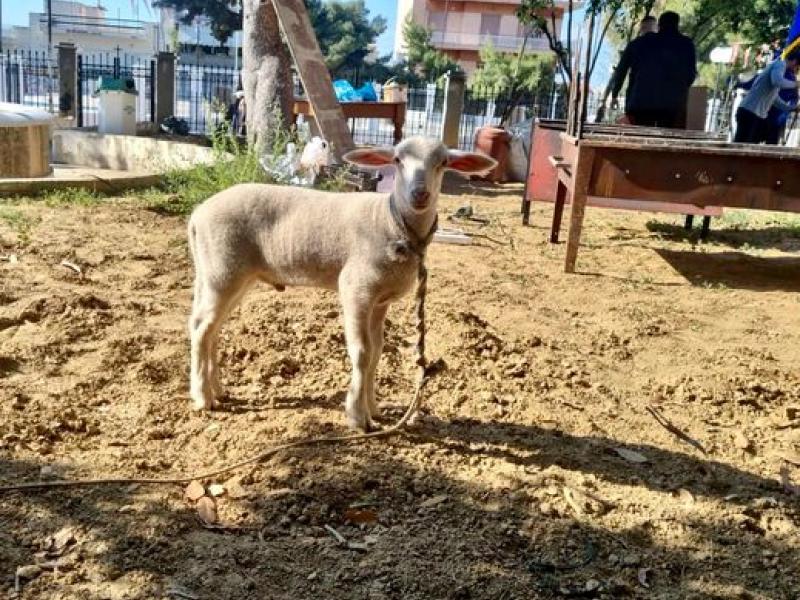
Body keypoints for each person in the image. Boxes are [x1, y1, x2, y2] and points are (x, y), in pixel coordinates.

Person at [611, 11, 697, 128]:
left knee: (640, 138)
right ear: (677, 25)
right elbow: (691, 75)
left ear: (659, 25)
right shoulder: (687, 44)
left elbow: (621, 70)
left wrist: (615, 94)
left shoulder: (639, 43)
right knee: (666, 139)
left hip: (640, 104)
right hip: (672, 105)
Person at [734, 50, 800, 144]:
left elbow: (774, 99)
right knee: (744, 148)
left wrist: (791, 108)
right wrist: (796, 84)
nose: (796, 70)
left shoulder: (776, 69)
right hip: (751, 112)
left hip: (753, 113)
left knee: (746, 146)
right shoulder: (780, 64)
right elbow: (777, 81)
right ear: (794, 61)